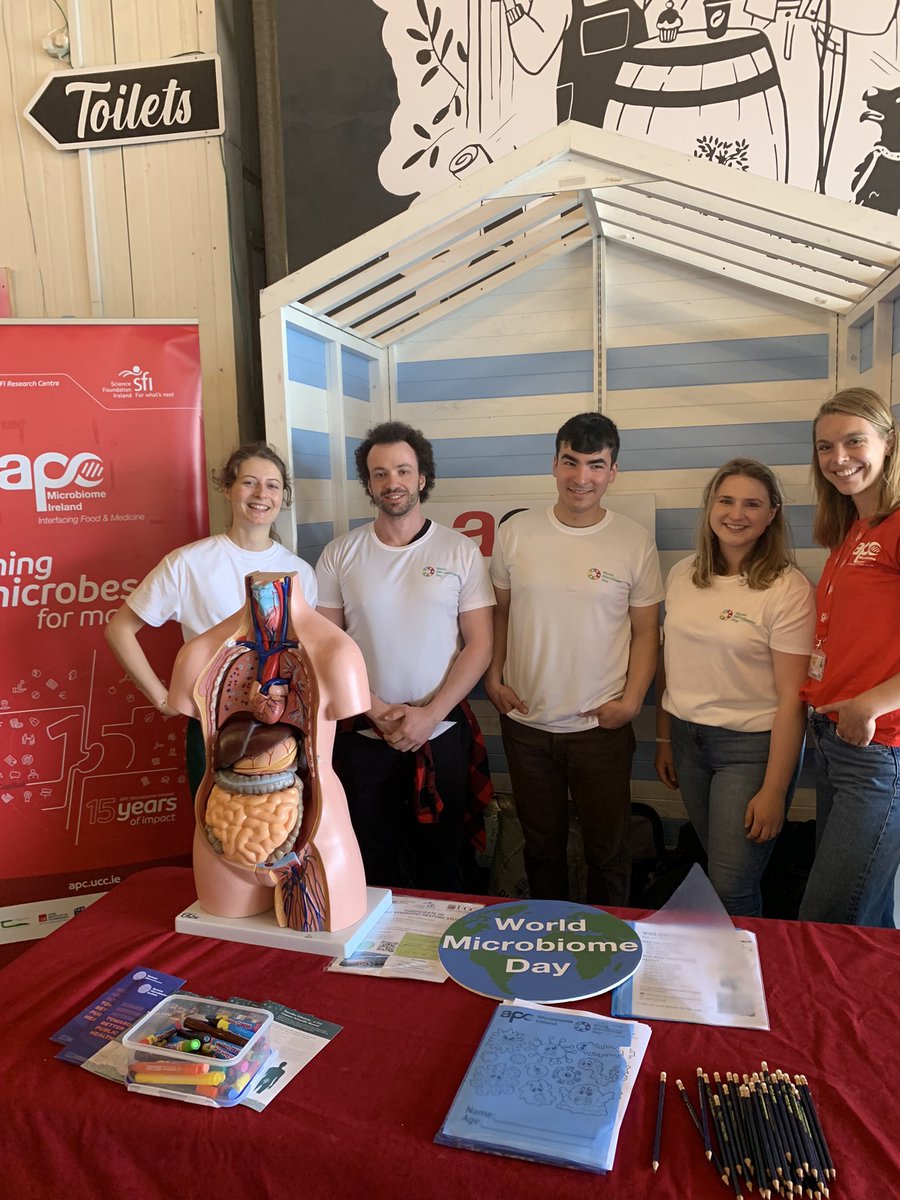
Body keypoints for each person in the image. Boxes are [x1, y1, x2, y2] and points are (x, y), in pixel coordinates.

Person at [486, 412, 663, 905]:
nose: (581, 477)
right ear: (555, 463)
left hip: (599, 731)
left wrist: (630, 703)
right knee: (541, 850)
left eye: (595, 465)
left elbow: (648, 631)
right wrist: (493, 680)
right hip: (526, 724)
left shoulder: (633, 541)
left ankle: (609, 945)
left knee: (608, 852)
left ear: (613, 471)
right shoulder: (516, 533)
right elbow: (499, 615)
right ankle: (549, 941)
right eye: (571, 462)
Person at [315, 421, 495, 892]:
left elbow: (479, 644)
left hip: (442, 732)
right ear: (368, 483)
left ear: (421, 477)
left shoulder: (460, 551)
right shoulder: (340, 555)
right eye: (379, 473)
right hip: (363, 736)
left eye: (402, 470)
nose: (391, 482)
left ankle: (442, 959)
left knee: (444, 861)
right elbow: (326, 648)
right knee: (370, 861)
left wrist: (428, 714)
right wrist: (375, 710)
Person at [105, 442, 317, 793]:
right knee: (216, 832)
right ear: (227, 488)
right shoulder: (188, 563)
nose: (261, 494)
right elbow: (120, 629)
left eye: (273, 485)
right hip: (211, 723)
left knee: (281, 831)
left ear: (283, 495)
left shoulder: (300, 572)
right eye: (249, 482)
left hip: (284, 725)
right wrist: (163, 698)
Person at [654, 458, 815, 917]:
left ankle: (745, 983)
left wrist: (774, 790)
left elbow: (792, 699)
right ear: (709, 507)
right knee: (720, 872)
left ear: (772, 514)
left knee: (732, 887)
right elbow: (673, 662)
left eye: (752, 504)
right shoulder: (683, 573)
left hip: (750, 751)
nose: (736, 513)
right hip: (688, 742)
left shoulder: (788, 589)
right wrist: (665, 737)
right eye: (726, 500)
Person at [799, 387, 900, 928]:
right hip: (837, 741)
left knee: (829, 919)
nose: (839, 458)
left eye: (854, 441)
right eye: (824, 447)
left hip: (879, 746)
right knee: (867, 921)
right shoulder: (853, 531)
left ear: (887, 443)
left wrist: (871, 704)